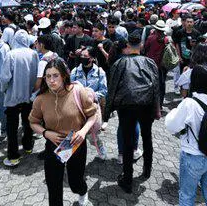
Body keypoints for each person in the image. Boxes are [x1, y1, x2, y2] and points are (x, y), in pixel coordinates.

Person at [29, 58, 97, 206]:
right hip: (54, 144)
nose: (51, 80)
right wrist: (46, 133)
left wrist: (83, 132)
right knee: (53, 185)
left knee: (75, 182)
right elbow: (33, 122)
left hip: (75, 142)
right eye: (48, 76)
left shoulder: (78, 91)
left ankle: (82, 191)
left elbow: (93, 114)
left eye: (55, 75)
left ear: (64, 76)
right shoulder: (40, 99)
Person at [104, 32, 160, 194]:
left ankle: (127, 180)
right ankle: (147, 170)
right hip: (146, 105)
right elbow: (157, 87)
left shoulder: (119, 63)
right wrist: (156, 110)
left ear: (128, 45)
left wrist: (107, 113)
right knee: (147, 137)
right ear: (141, 46)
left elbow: (112, 89)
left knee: (128, 143)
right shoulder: (150, 62)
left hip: (127, 106)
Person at [165, 65, 207, 205]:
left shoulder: (190, 103)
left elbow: (171, 125)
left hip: (193, 155)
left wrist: (176, 109)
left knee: (187, 196)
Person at [0, 29, 39, 166]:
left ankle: (13, 156)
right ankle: (28, 147)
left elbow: (5, 77)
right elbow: (36, 74)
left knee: (12, 126)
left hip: (13, 96)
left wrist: (3, 90)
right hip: (29, 95)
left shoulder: (11, 55)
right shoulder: (34, 54)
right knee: (28, 121)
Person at [70, 47, 108, 158]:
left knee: (93, 136)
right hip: (76, 109)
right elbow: (70, 87)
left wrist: (90, 96)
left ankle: (99, 147)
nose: (82, 58)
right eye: (81, 56)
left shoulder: (100, 72)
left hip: (92, 108)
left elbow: (104, 90)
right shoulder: (75, 71)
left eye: (85, 57)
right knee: (73, 134)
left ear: (92, 58)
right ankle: (68, 155)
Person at [144, 20, 169, 107]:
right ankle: (160, 104)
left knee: (150, 84)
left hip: (150, 64)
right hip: (162, 65)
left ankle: (151, 103)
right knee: (161, 85)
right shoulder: (166, 39)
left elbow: (145, 48)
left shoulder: (151, 38)